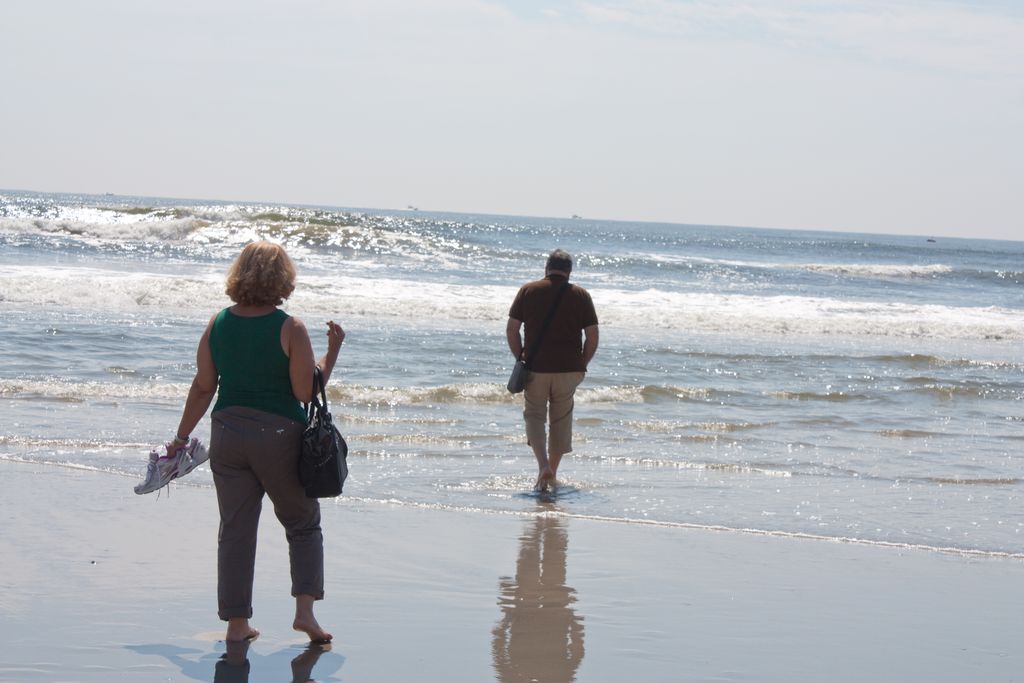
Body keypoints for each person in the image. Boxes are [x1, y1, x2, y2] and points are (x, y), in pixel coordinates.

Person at [166, 240, 344, 643]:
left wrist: (181, 436)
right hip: (279, 437)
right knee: (302, 522)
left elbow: (203, 387)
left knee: (236, 529)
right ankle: (305, 614)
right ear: (283, 279)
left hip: (227, 434)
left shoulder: (218, 323)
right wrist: (332, 352)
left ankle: (236, 624)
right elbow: (304, 391)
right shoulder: (291, 327)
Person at [506, 249, 598, 491]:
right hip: (569, 369)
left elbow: (512, 330)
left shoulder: (528, 290)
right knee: (560, 420)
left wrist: (520, 357)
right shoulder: (581, 295)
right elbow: (592, 336)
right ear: (569, 272)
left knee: (534, 415)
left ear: (546, 268)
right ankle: (552, 474)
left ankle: (543, 467)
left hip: (536, 367)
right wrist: (583, 363)